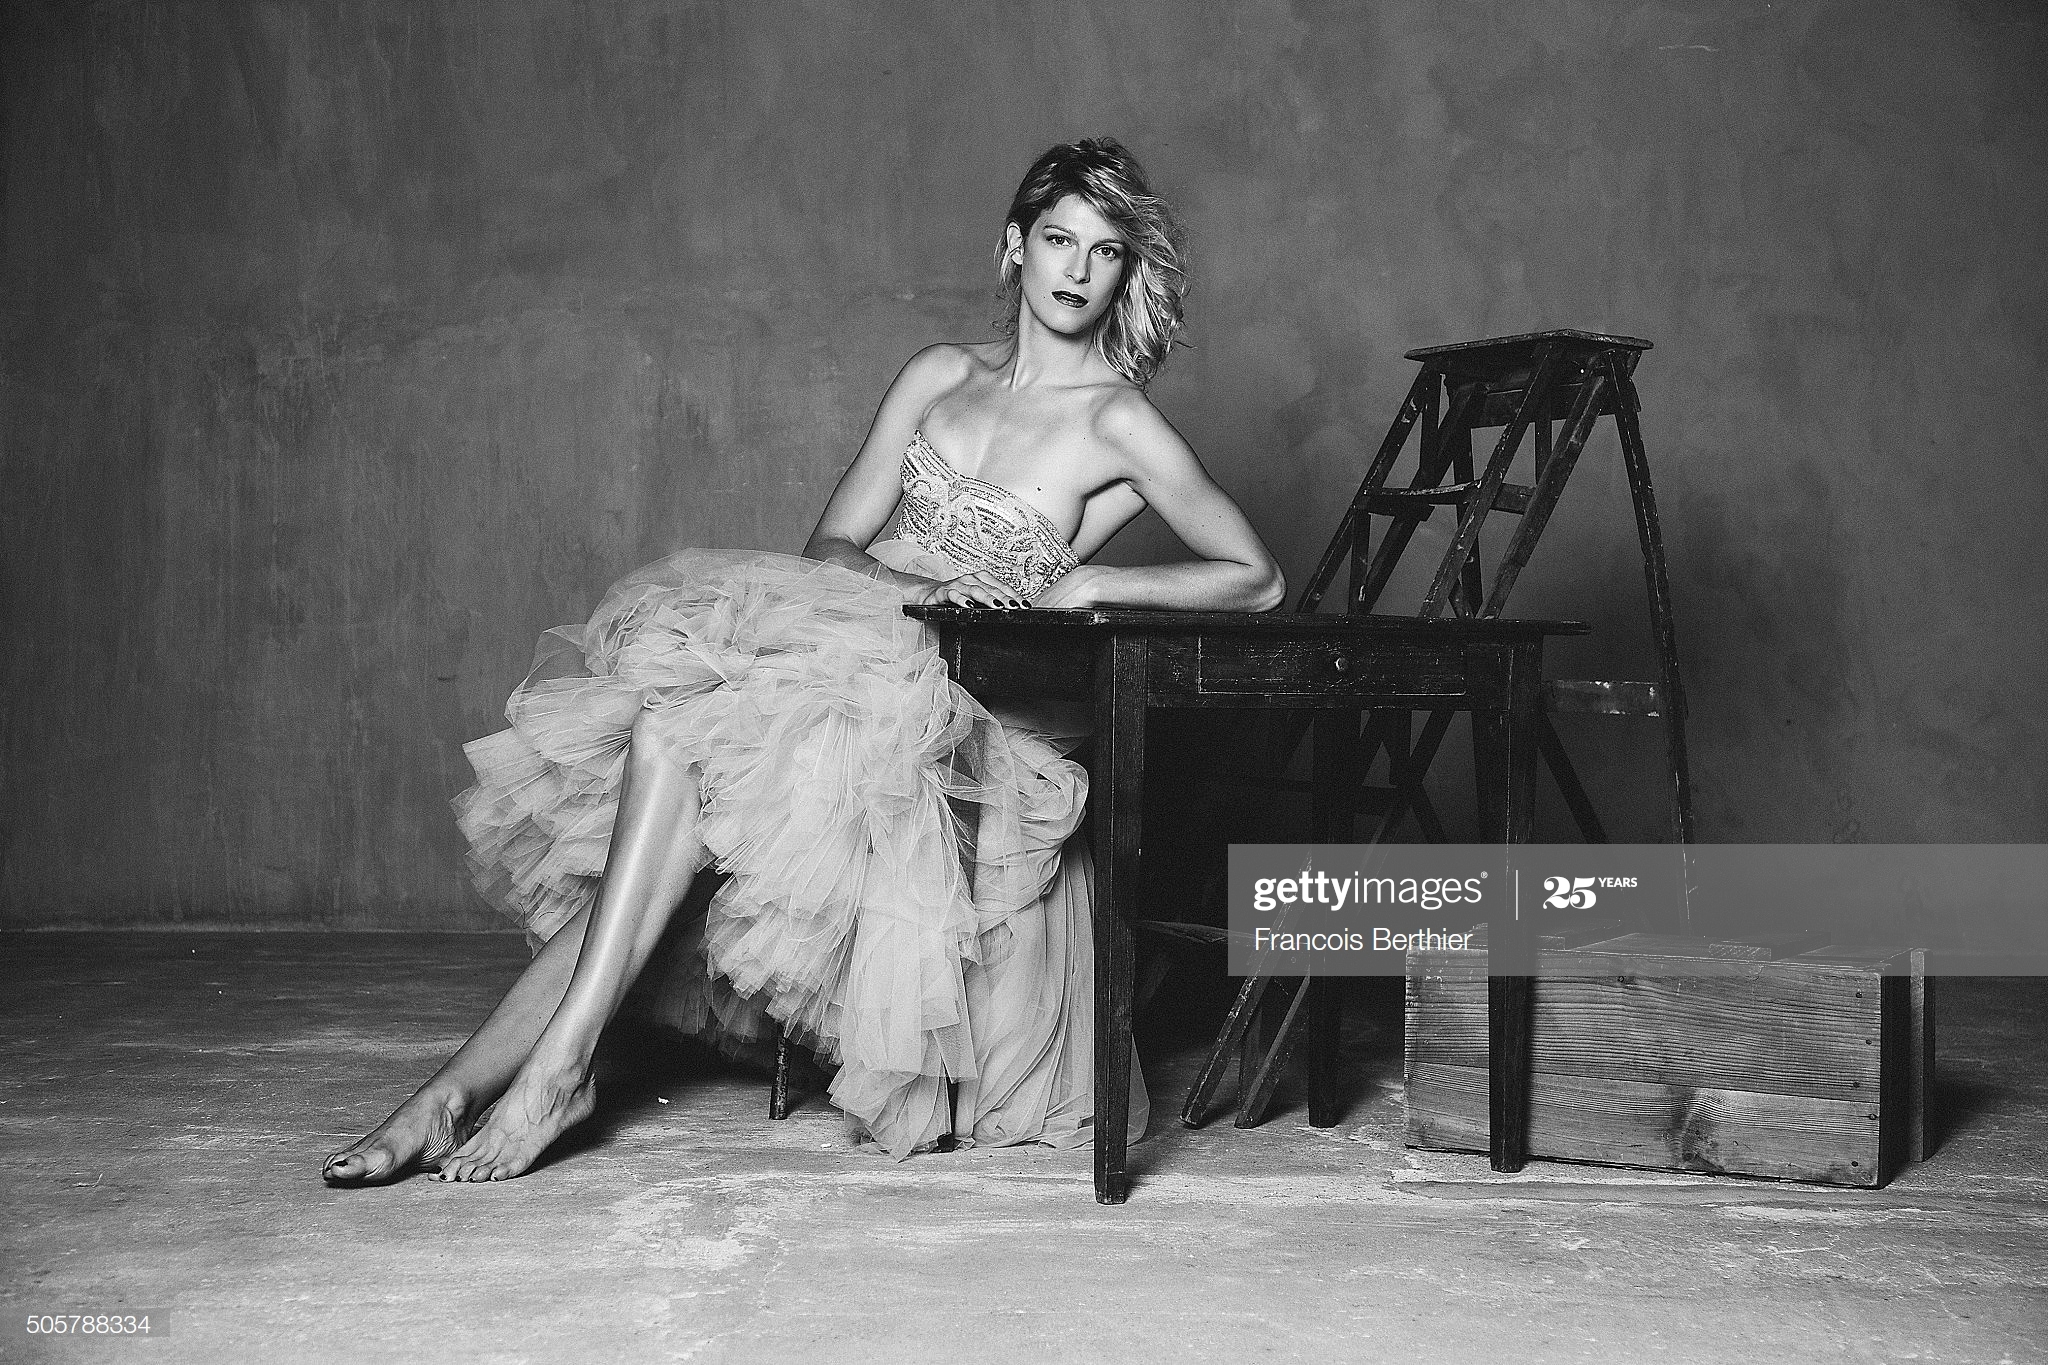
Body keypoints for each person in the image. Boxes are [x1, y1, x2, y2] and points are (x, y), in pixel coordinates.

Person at [323, 137, 1284, 1185]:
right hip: (862, 639)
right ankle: (468, 1090)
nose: (1076, 270)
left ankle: (525, 1079)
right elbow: (829, 544)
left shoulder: (1115, 418)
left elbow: (1255, 577)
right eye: (1058, 240)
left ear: (1122, 271)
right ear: (1014, 247)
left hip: (963, 703)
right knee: (679, 752)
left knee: (682, 758)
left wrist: (1088, 583)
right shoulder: (939, 375)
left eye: (1103, 252)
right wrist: (919, 589)